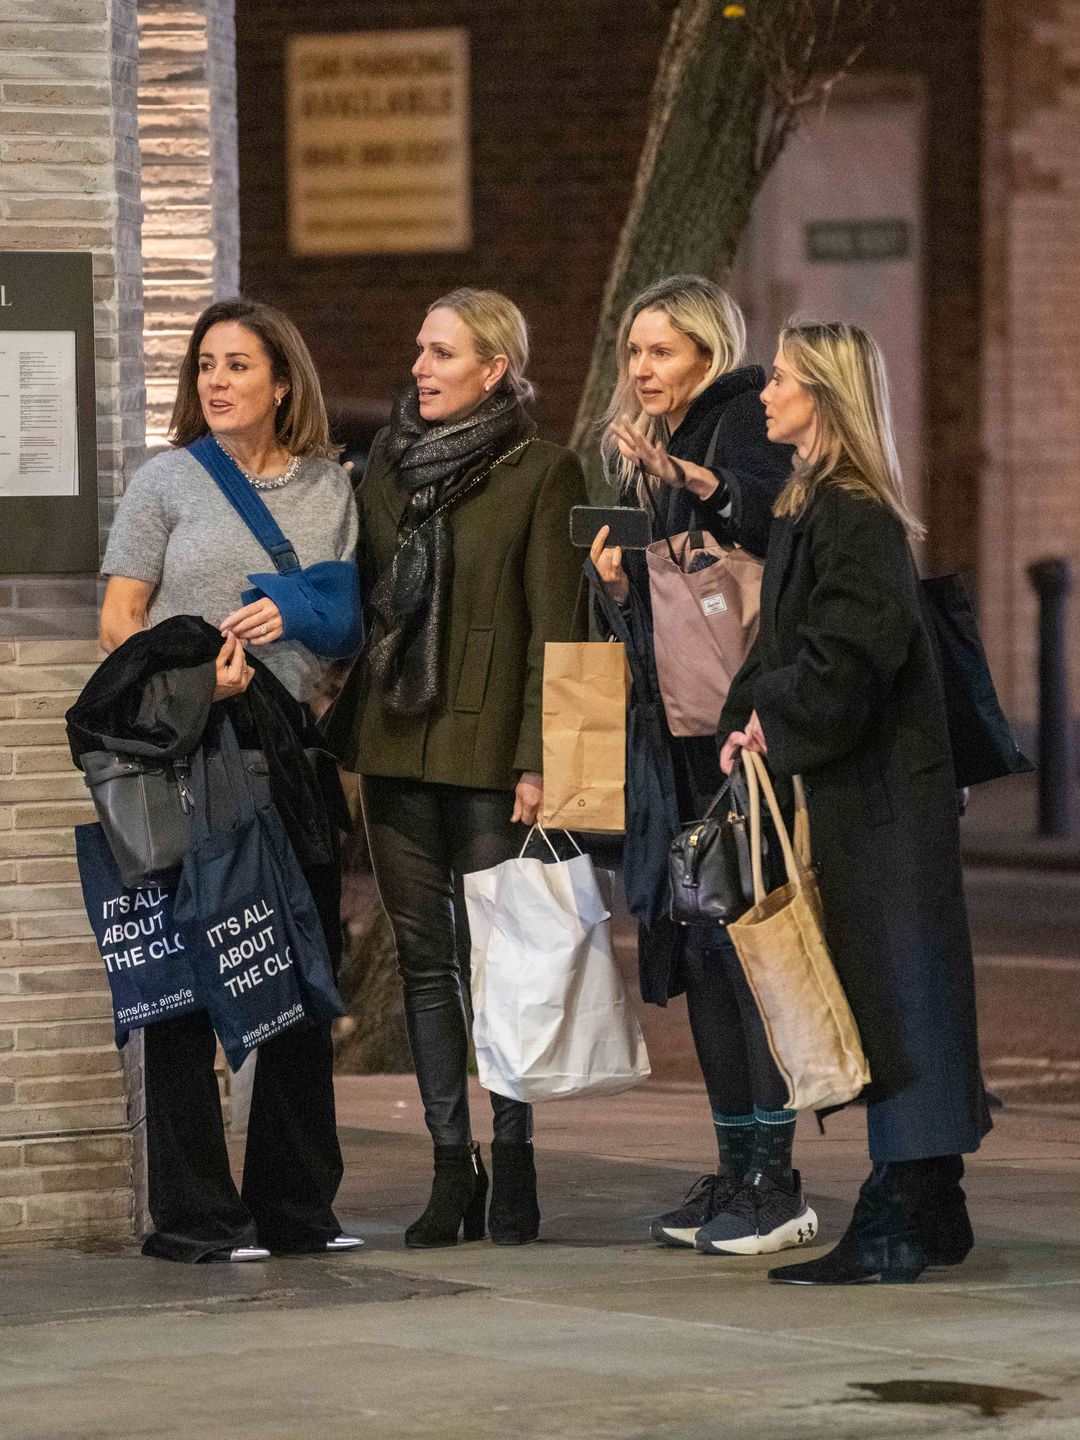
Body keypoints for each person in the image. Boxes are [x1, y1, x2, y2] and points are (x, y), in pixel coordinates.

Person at [719, 321, 990, 1285]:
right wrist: (748, 711)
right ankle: (936, 1204)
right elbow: (790, 645)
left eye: (782, 379)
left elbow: (850, 655)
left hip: (885, 798)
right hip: (858, 790)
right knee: (894, 989)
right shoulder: (809, 505)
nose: (765, 393)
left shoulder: (854, 512)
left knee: (896, 994)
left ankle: (897, 1217)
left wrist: (769, 720)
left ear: (823, 398)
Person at [98, 297, 361, 1262]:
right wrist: (194, 681)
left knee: (293, 963)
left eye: (239, 365)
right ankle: (197, 1216)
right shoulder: (167, 480)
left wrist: (304, 648)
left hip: (286, 751)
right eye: (206, 364)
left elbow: (339, 612)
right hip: (189, 751)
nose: (216, 381)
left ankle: (295, 1208)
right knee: (185, 986)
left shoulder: (329, 488)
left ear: (282, 381)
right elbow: (120, 620)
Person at [324, 288, 587, 1248]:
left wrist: (541, 763)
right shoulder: (386, 471)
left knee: (504, 964)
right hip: (396, 745)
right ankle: (450, 1167)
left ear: (494, 369)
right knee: (428, 965)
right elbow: (360, 598)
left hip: (492, 760)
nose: (422, 369)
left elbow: (558, 634)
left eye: (442, 353)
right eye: (419, 352)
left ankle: (513, 1159)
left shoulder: (543, 472)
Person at [589, 276, 814, 1258]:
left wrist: (701, 487)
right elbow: (647, 610)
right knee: (704, 952)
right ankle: (734, 1168)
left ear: (708, 356)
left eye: (663, 352)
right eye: (635, 352)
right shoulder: (642, 459)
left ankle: (777, 1180)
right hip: (674, 734)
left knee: (746, 950)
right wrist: (615, 579)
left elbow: (772, 530)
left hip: (737, 733)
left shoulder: (736, 426)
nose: (643, 369)